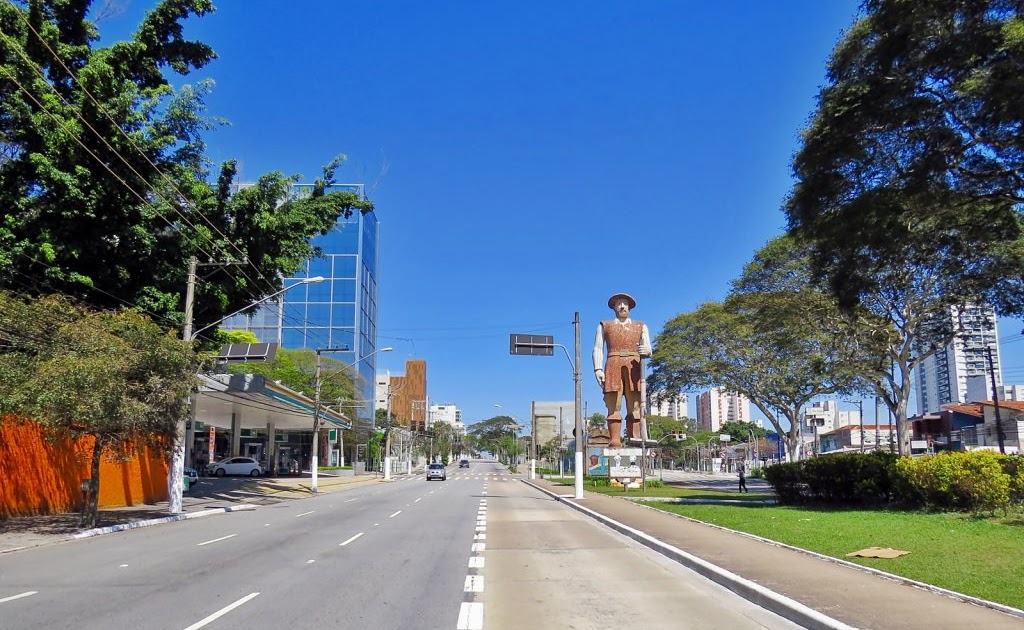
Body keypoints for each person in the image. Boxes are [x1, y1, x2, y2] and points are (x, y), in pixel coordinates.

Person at [593, 292, 651, 448]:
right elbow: (598, 348)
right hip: (613, 364)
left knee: (635, 405)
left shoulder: (640, 326)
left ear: (630, 307)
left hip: (634, 367)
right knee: (613, 403)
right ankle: (615, 440)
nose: (622, 306)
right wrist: (598, 368)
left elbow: (648, 348)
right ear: (614, 307)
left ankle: (635, 438)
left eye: (625, 303)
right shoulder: (605, 325)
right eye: (619, 303)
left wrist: (647, 350)